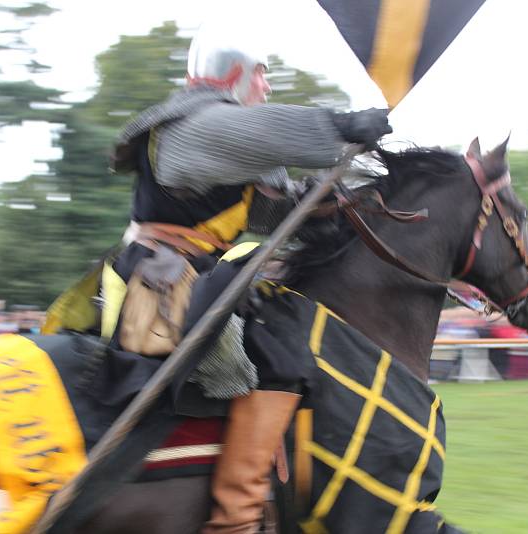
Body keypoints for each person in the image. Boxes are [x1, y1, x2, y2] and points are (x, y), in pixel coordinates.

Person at [103, 32, 392, 532]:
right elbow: (261, 130)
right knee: (282, 353)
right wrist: (344, 125)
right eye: (261, 73)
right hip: (163, 281)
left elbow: (275, 209)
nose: (267, 85)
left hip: (188, 273)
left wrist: (347, 201)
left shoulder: (218, 146)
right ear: (230, 75)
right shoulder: (192, 125)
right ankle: (236, 519)